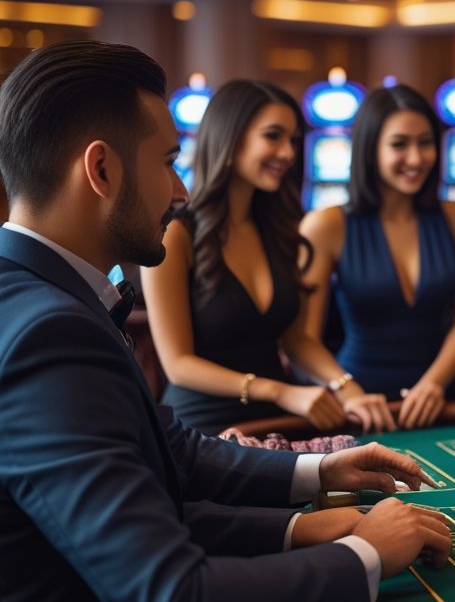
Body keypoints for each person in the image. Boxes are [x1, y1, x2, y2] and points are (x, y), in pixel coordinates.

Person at [0, 39, 452, 602]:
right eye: (167, 162)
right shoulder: (45, 333)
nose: (180, 191)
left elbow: (163, 456)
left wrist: (317, 481)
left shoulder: (39, 294)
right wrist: (364, 554)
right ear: (101, 168)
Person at [143, 80, 395, 435]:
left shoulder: (281, 230)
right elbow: (178, 364)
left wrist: (347, 389)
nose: (288, 153)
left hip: (278, 419)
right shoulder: (177, 232)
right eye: (273, 136)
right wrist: (280, 390)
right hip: (202, 428)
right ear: (231, 138)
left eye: (292, 140)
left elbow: (297, 341)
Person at [299, 85, 455, 430]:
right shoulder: (326, 225)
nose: (416, 158)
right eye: (399, 144)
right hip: (362, 402)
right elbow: (302, 338)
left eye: (425, 142)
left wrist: (434, 384)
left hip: (441, 397)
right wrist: (346, 390)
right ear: (370, 150)